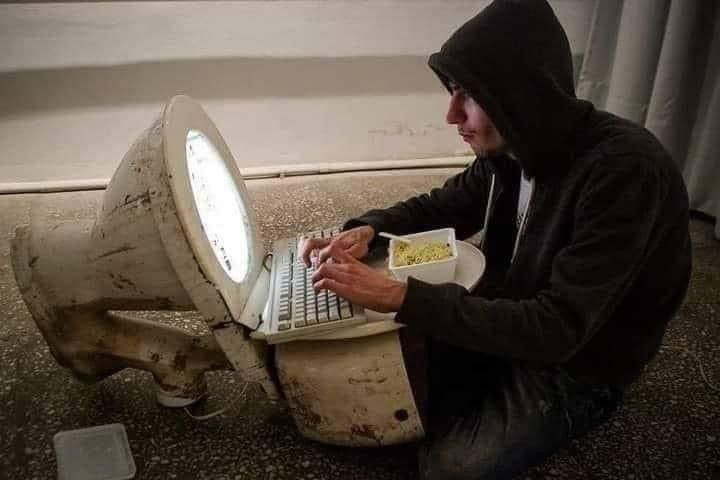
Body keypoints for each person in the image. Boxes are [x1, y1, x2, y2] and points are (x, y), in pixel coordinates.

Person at [300, 0, 692, 478]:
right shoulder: (512, 147)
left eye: (468, 96)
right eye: (452, 93)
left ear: (518, 95)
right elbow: (442, 206)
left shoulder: (624, 173)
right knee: (370, 376)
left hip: (579, 360)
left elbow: (559, 328)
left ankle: (583, 405)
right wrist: (367, 229)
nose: (451, 115)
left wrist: (399, 297)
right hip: (515, 308)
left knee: (451, 467)